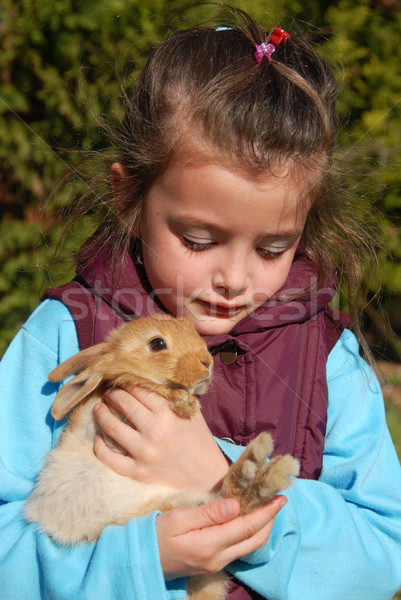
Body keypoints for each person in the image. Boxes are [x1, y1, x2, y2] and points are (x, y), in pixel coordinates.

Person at [0, 8, 400, 600]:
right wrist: (144, 558)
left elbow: (382, 555)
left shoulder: (328, 355)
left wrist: (222, 483)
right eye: (198, 240)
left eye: (273, 247)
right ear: (128, 198)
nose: (234, 278)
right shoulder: (63, 333)